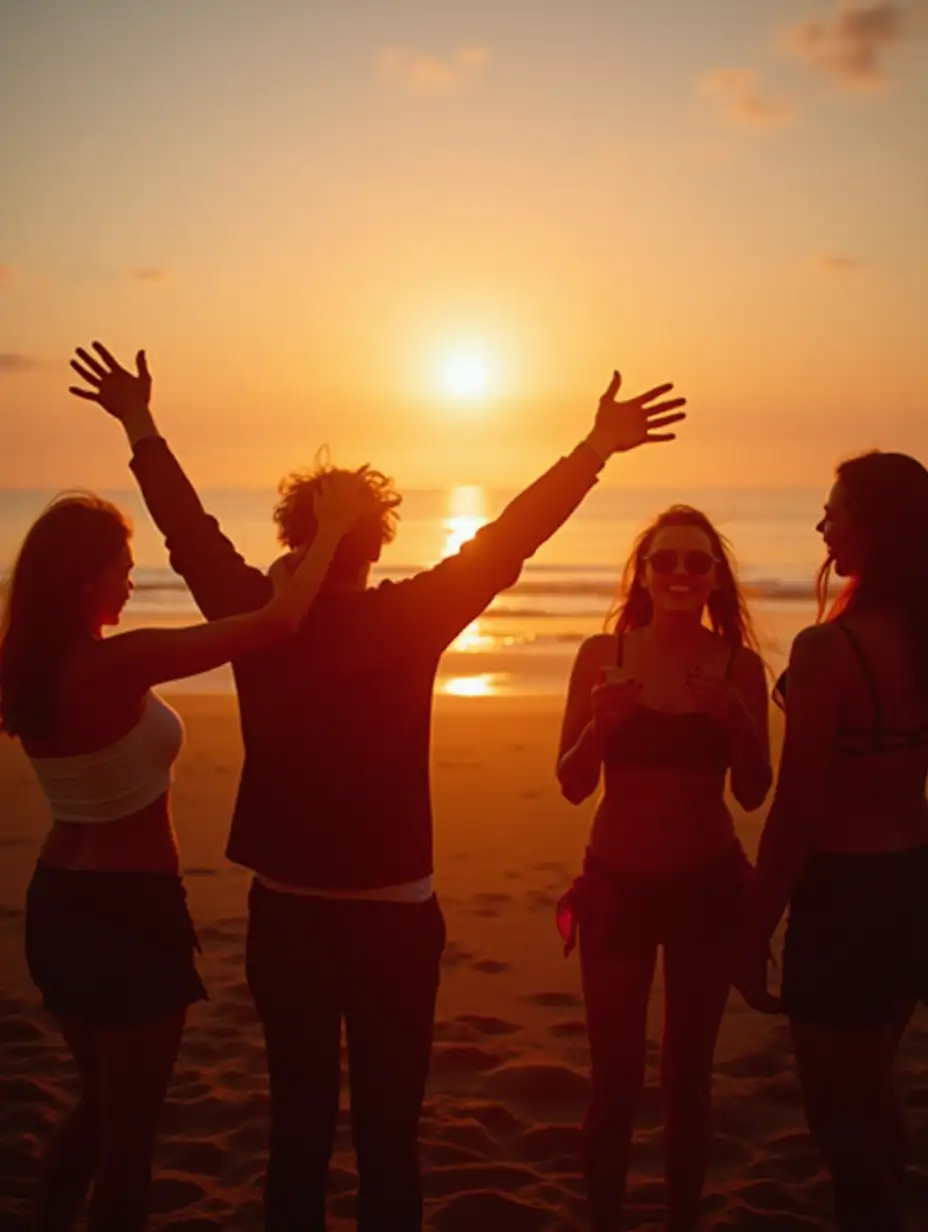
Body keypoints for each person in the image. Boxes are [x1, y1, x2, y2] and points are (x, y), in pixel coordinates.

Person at [67, 340, 687, 1231]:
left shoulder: (255, 613)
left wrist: (139, 423)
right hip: (394, 917)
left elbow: (186, 526)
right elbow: (510, 539)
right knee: (389, 1138)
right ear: (378, 540)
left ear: (292, 535)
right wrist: (592, 450)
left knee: (298, 1133)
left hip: (291, 915)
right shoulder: (409, 614)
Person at [0, 387, 376, 1232]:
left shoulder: (26, 664)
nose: (132, 582)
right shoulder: (115, 666)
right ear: (84, 578)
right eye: (121, 570)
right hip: (127, 915)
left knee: (95, 1110)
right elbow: (279, 621)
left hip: (56, 905)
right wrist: (331, 532)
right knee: (130, 1144)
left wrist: (139, 423)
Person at [555, 505, 772, 1231]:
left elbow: (752, 790)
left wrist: (740, 721)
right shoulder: (602, 654)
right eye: (667, 561)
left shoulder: (740, 665)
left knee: (687, 1079)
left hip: (706, 886)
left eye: (697, 562)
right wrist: (597, 729)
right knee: (614, 1084)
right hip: (616, 884)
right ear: (644, 575)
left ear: (715, 579)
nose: (682, 573)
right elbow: (572, 780)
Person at [749, 452, 928, 1232]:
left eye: (835, 510)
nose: (822, 523)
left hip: (845, 899)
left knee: (842, 1132)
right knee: (876, 1094)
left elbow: (795, 811)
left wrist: (751, 927)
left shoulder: (828, 651)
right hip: (913, 885)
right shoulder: (920, 636)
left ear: (876, 527)